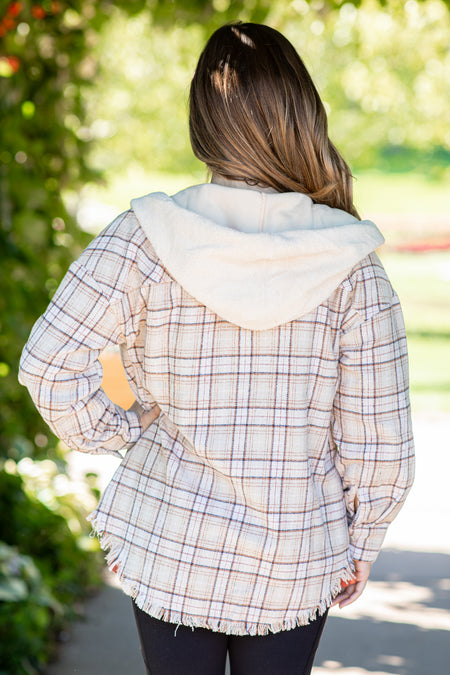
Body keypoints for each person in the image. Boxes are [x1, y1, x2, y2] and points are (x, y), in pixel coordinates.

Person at [19, 22, 415, 675]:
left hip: (172, 545)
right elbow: (379, 439)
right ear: (300, 116)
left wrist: (126, 426)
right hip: (294, 558)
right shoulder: (350, 261)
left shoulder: (144, 237)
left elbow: (49, 363)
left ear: (202, 125)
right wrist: (364, 537)